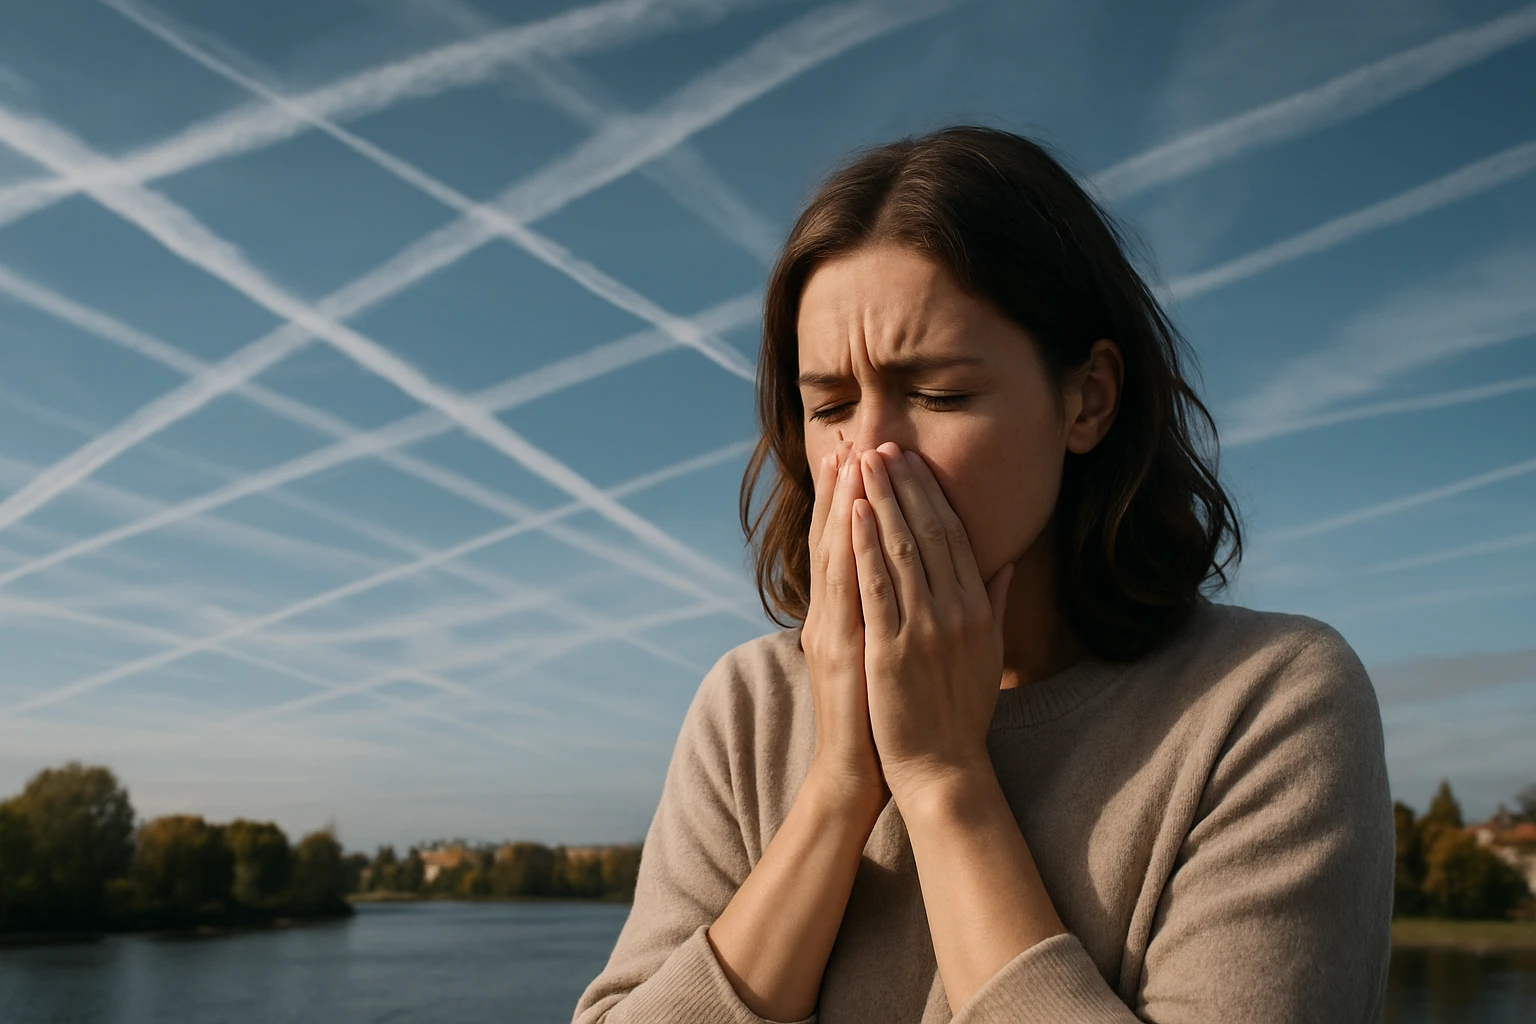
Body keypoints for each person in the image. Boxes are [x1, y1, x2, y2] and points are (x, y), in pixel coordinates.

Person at [571, 125, 1394, 1023]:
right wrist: (842, 786)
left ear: (1088, 400)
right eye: (831, 406)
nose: (871, 452)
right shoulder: (752, 707)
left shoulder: (1265, 703)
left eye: (940, 394)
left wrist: (943, 779)